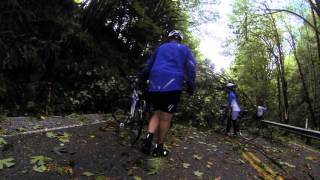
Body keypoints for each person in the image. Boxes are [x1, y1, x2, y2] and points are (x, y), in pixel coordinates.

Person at [140, 30, 196, 157]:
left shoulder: (160, 48)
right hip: (172, 84)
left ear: (169, 38)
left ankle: (147, 141)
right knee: (166, 117)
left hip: (154, 83)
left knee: (156, 112)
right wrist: (191, 84)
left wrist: (143, 77)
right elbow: (191, 67)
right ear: (180, 39)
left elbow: (149, 64)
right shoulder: (185, 49)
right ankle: (158, 149)